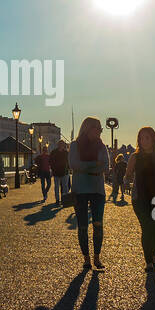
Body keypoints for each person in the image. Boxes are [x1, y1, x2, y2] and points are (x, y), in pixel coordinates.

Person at [125, 126, 155, 272]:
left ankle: (153, 254)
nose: (144, 141)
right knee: (147, 228)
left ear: (153, 138)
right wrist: (126, 182)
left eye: (147, 137)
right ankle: (149, 261)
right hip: (140, 198)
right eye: (141, 138)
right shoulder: (135, 157)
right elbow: (127, 174)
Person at [69, 116, 111, 270]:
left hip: (98, 191)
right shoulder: (75, 145)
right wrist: (95, 165)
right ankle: (86, 258)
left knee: (98, 224)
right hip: (80, 190)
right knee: (82, 226)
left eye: (100, 129)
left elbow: (106, 167)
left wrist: (84, 167)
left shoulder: (102, 146)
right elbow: (73, 164)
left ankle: (97, 257)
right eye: (97, 128)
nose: (100, 131)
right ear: (88, 128)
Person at [50, 140, 71, 205]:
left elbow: (69, 162)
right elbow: (51, 161)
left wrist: (68, 169)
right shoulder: (54, 152)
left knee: (65, 187)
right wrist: (53, 169)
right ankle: (58, 200)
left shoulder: (66, 152)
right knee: (58, 187)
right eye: (60, 144)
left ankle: (64, 200)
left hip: (64, 172)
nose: (61, 145)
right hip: (57, 173)